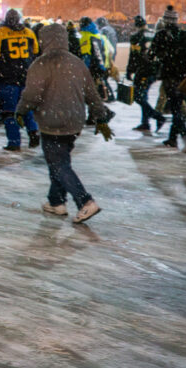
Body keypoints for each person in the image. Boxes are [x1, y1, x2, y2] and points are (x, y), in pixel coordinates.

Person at [15, 22, 112, 224]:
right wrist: (100, 116)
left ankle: (85, 201)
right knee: (60, 161)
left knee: (58, 165)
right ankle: (56, 202)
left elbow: (32, 94)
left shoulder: (40, 64)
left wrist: (21, 110)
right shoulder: (76, 62)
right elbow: (92, 93)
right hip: (74, 122)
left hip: (52, 122)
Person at [147, 5, 186, 153]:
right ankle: (172, 138)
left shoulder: (161, 36)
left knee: (176, 110)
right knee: (178, 108)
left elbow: (151, 56)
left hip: (170, 78)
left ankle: (185, 137)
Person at [0, 9, 40, 152]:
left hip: (8, 78)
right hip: (26, 76)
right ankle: (33, 132)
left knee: (9, 111)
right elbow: (36, 52)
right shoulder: (29, 32)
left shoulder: (1, 33)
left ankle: (14, 141)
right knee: (26, 106)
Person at [126, 16, 165, 132]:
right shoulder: (153, 34)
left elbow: (133, 56)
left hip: (143, 70)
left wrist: (129, 71)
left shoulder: (136, 37)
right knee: (143, 95)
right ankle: (145, 122)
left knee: (138, 97)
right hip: (153, 70)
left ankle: (157, 116)